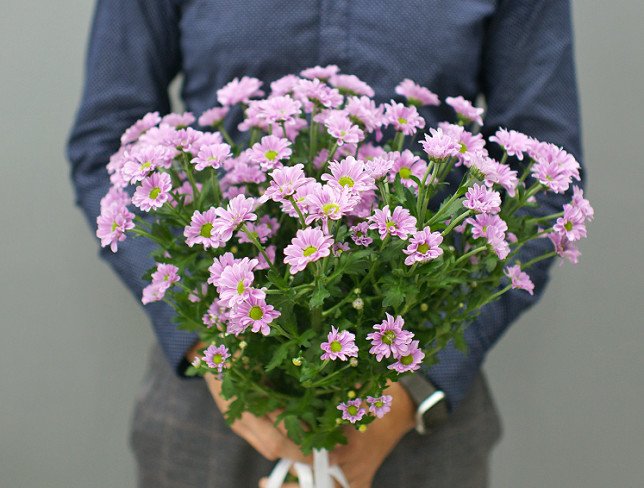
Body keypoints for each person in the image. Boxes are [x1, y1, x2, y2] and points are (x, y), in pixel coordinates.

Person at [67, 1, 583, 487]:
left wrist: (415, 391)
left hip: (413, 408)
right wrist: (211, 349)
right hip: (215, 404)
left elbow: (544, 179)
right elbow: (105, 143)